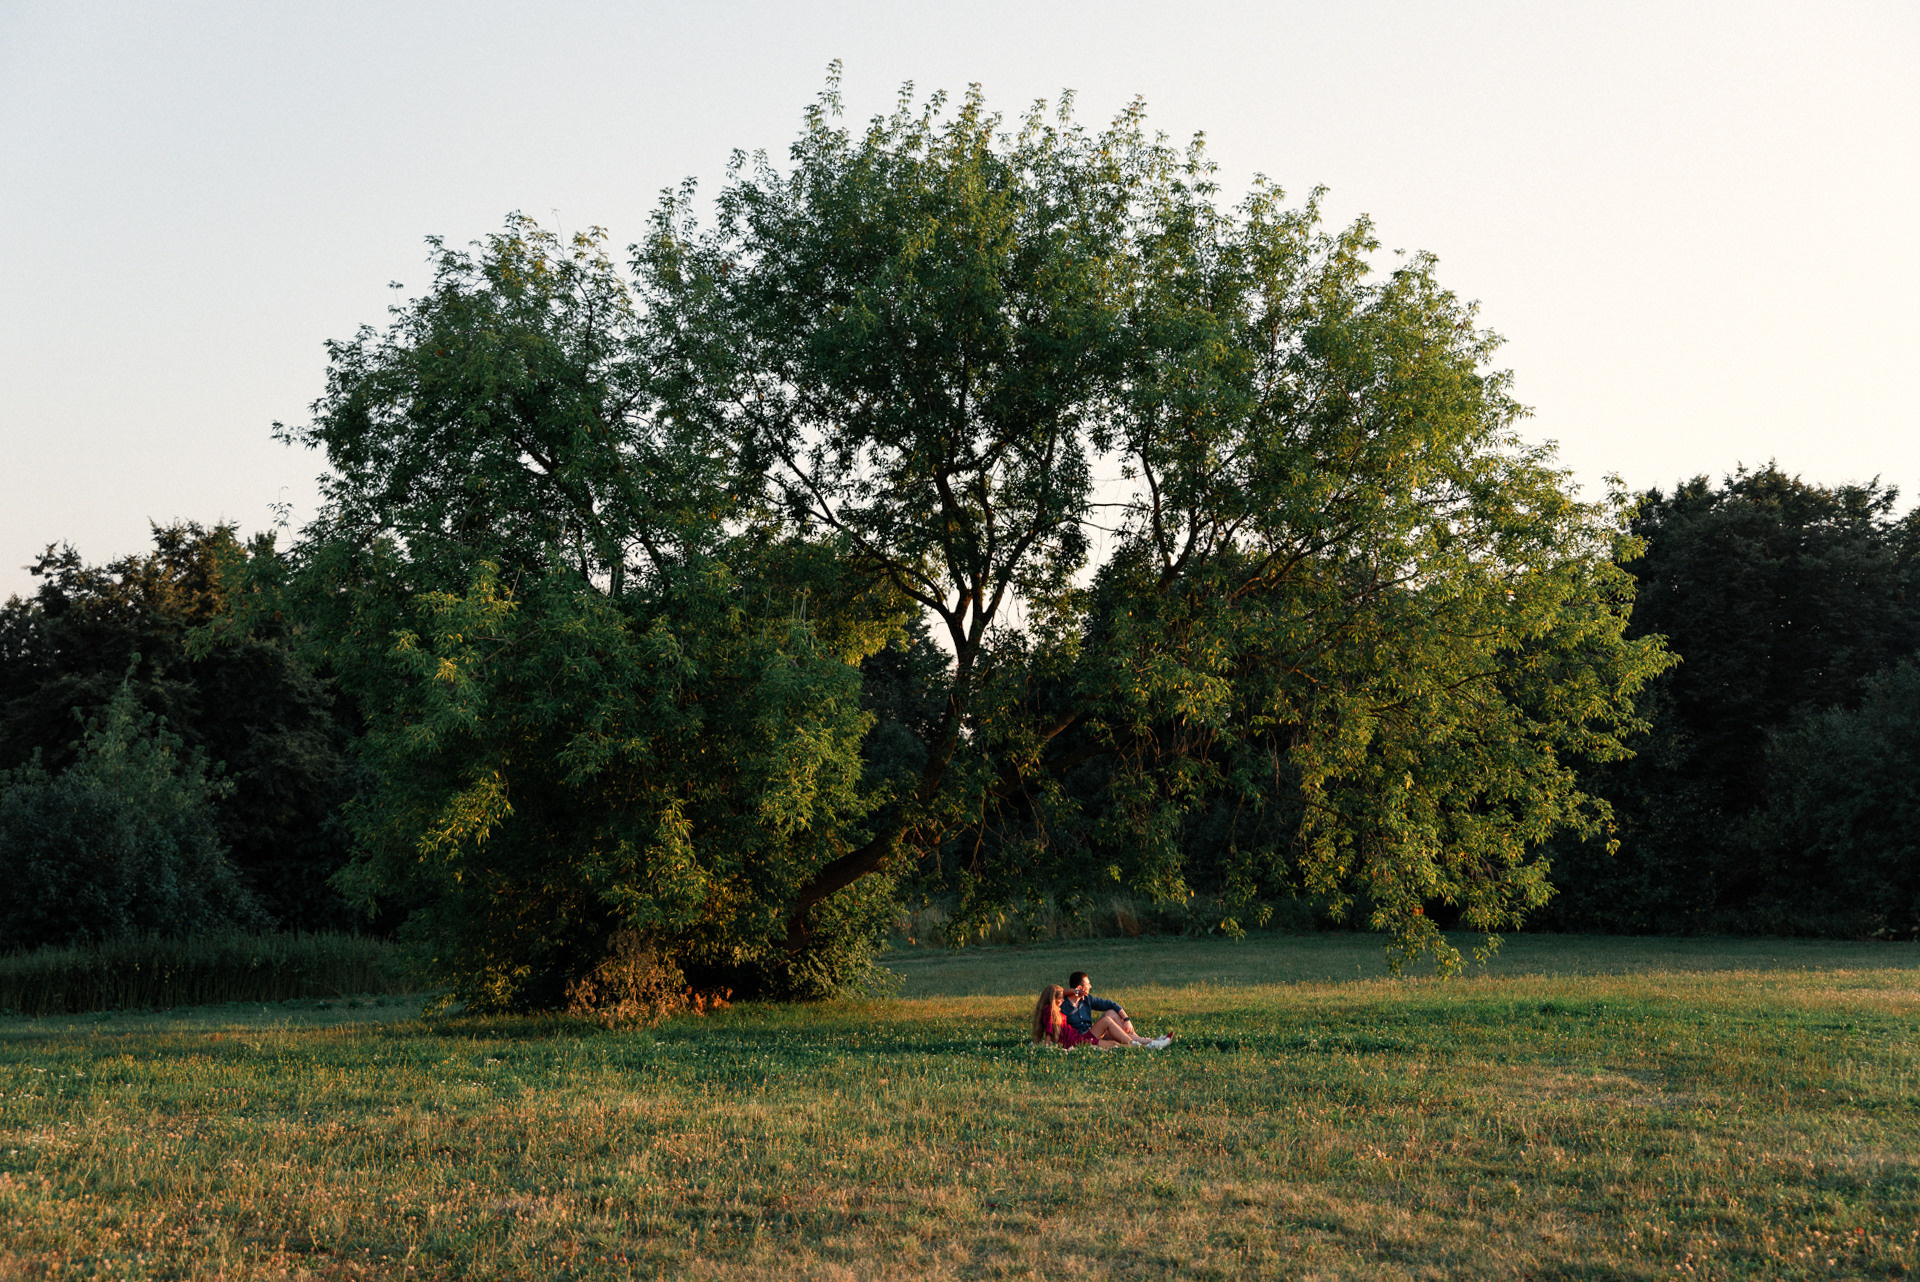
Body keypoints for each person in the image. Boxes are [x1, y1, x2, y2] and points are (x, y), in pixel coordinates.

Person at [1061, 971, 1172, 1048]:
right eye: (1088, 984)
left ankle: (1150, 1042)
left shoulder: (1087, 999)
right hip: (1082, 1037)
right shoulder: (1062, 1004)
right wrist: (1074, 992)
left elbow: (1111, 1004)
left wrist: (1127, 1019)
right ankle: (1136, 1044)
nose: (1090, 986)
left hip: (1093, 1032)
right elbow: (1053, 992)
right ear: (1080, 988)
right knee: (1106, 1020)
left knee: (1111, 1012)